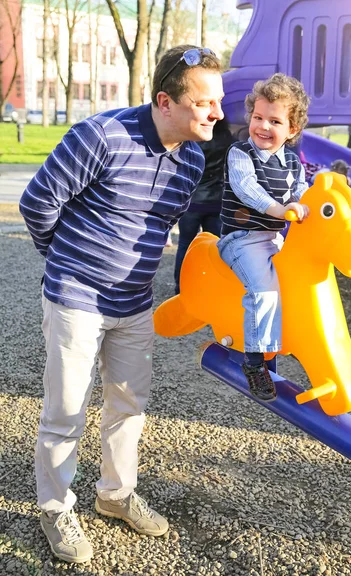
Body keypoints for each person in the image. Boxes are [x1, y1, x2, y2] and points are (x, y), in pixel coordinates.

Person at [19, 44, 224, 564]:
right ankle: (54, 506)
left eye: (217, 101)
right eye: (205, 103)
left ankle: (114, 495)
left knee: (128, 406)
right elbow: (37, 202)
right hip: (77, 299)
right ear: (165, 102)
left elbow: (164, 226)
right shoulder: (101, 136)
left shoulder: (194, 158)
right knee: (66, 411)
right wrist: (66, 262)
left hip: (134, 304)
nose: (218, 113)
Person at [218, 73, 310, 401]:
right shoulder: (240, 153)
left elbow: (301, 191)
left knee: (299, 281)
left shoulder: (292, 163)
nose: (263, 127)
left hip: (272, 239)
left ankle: (288, 344)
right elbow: (249, 191)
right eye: (258, 117)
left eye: (274, 120)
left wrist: (302, 204)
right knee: (264, 291)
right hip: (241, 238)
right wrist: (282, 210)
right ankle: (255, 361)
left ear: (292, 130)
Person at [174, 117, 234, 294]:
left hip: (191, 202)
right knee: (215, 249)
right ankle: (213, 287)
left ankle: (181, 288)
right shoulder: (227, 139)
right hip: (216, 201)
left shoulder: (191, 138)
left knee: (185, 245)